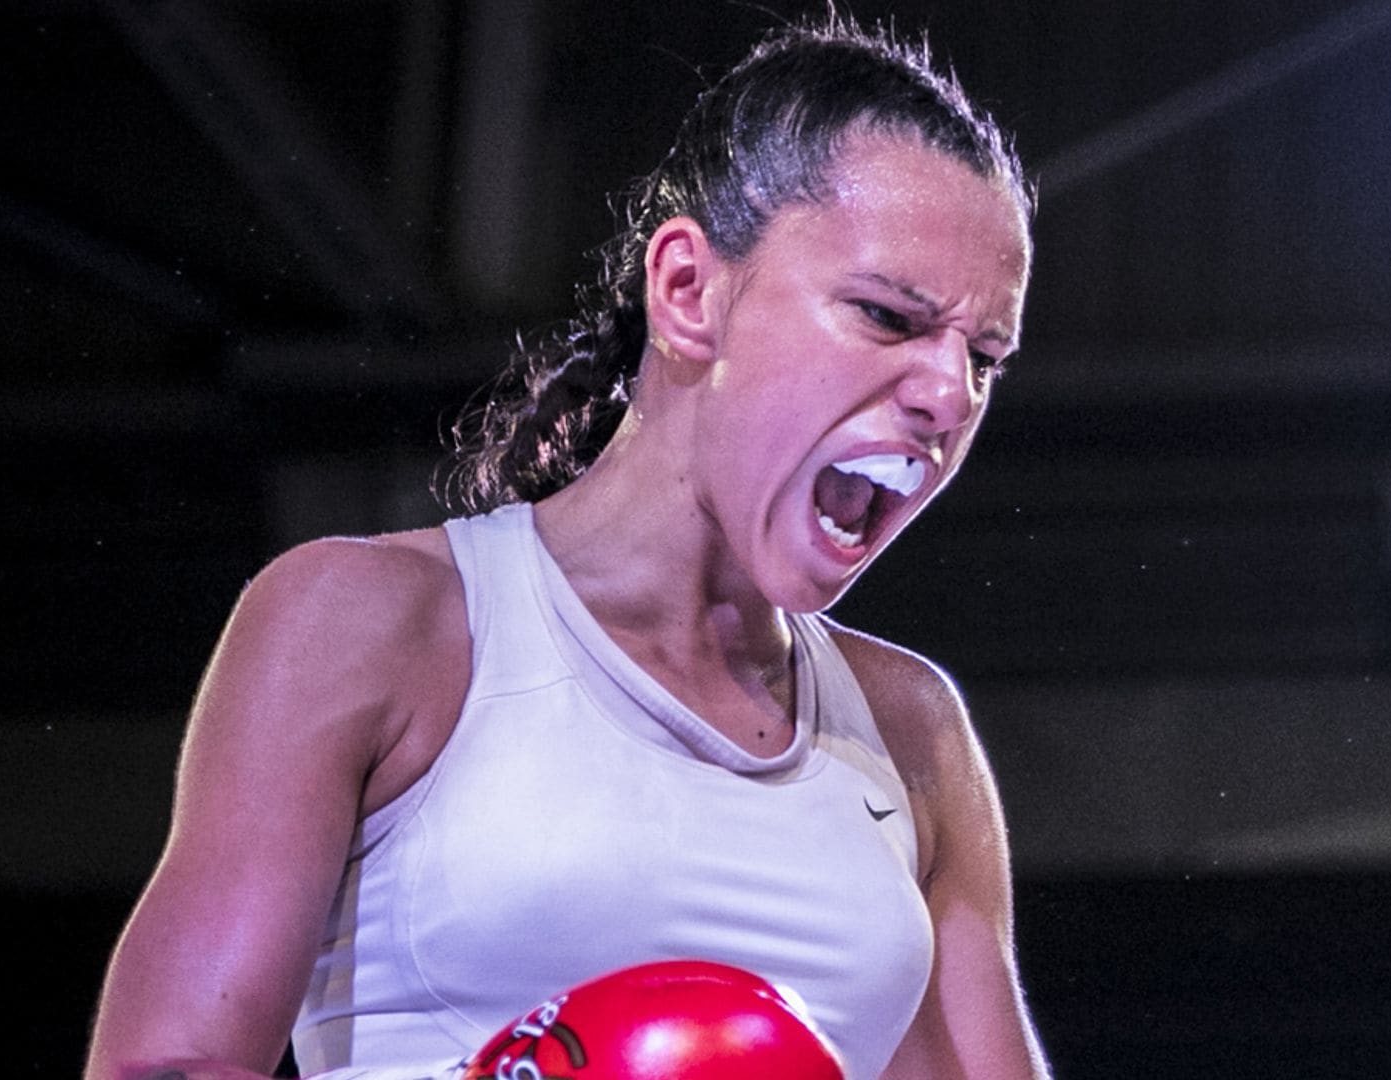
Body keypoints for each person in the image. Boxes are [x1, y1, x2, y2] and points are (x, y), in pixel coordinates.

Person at [85, 14, 1049, 1080]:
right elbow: (162, 1068)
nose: (946, 394)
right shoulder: (373, 621)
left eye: (986, 359)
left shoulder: (910, 732)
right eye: (886, 316)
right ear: (688, 291)